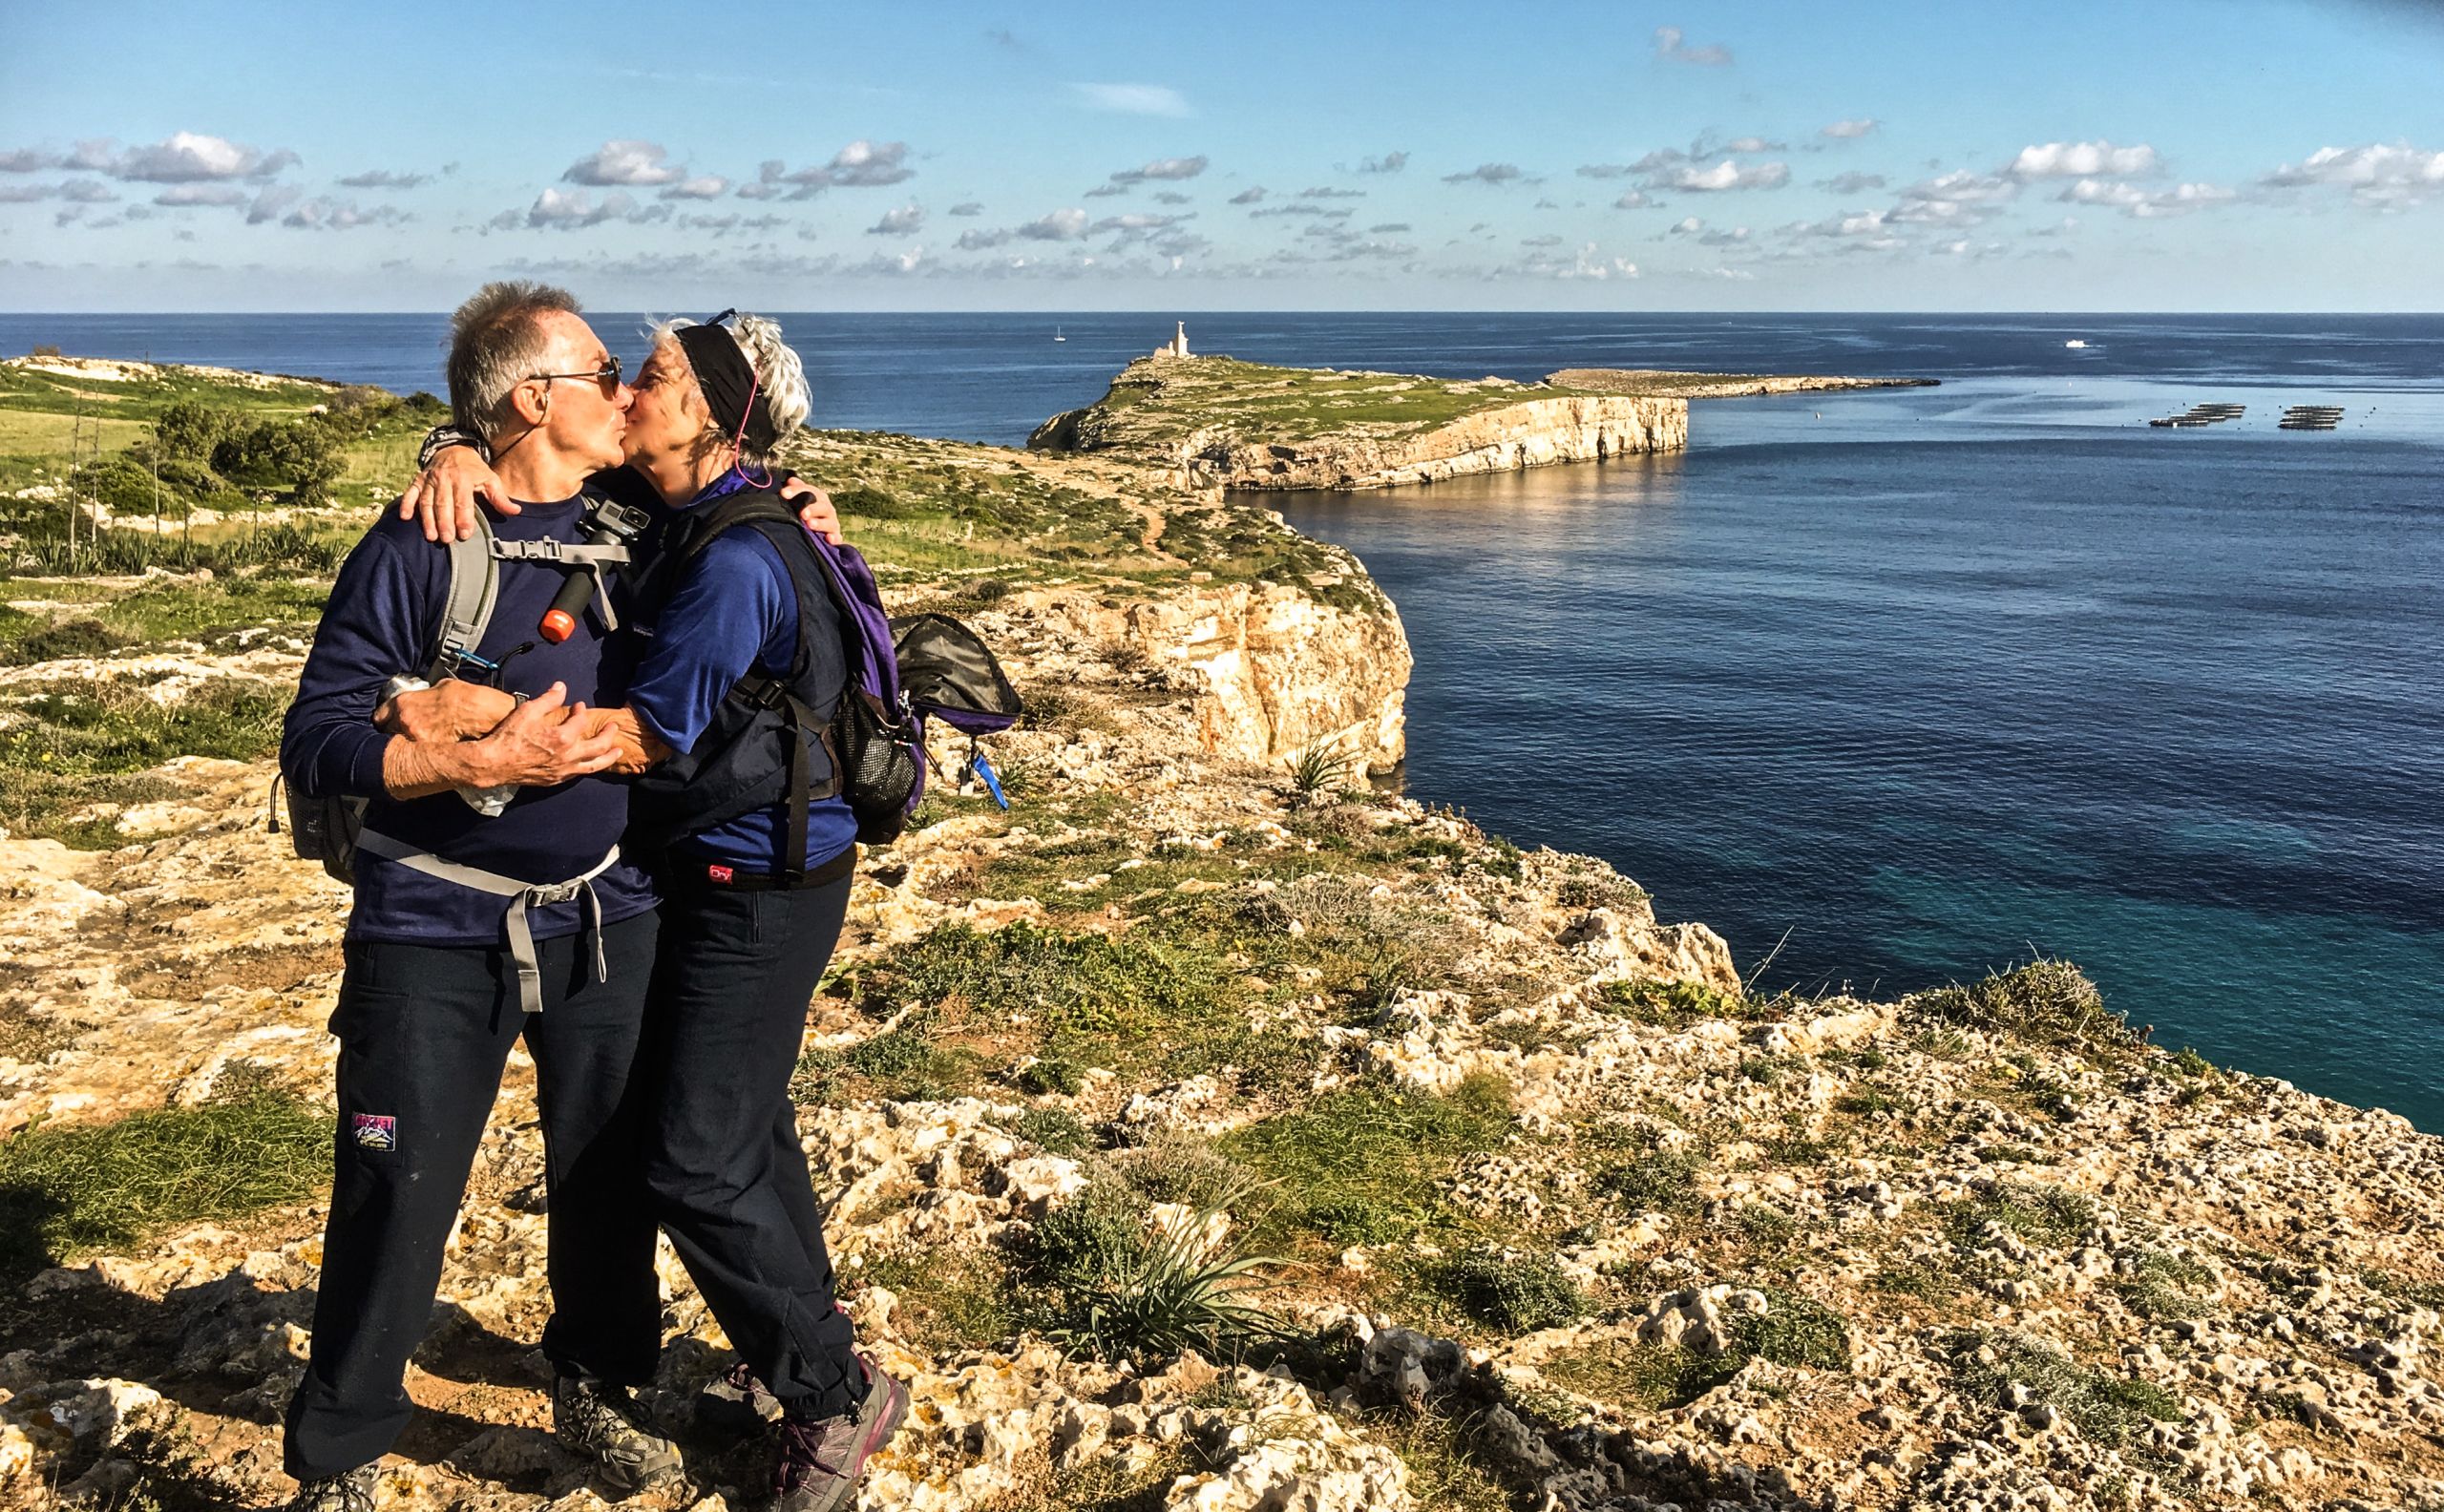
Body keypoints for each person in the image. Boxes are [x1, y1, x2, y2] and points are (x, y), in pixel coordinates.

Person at [391, 311, 906, 1512]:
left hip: (758, 884)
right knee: (747, 1126)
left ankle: (833, 1396)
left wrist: (457, 736)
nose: (624, 395)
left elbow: (645, 733)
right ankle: (804, 1342)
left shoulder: (733, 558)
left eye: (655, 378)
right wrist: (449, 449)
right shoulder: (670, 495)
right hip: (706, 869)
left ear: (716, 417)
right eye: (621, 376)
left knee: (692, 1160)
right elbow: (522, 433)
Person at [276, 283, 685, 1512]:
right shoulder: (417, 544)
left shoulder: (636, 524)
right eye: (603, 368)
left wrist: (808, 515)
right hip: (430, 923)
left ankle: (601, 1385)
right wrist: (454, 761)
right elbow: (316, 739)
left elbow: (738, 495)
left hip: (611, 913)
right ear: (533, 398)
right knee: (396, 1184)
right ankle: (339, 1452)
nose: (626, 392)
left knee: (610, 1174)